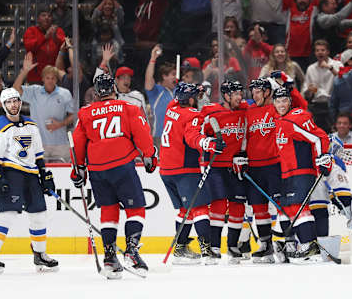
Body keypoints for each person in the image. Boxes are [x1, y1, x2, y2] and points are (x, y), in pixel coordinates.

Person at [70, 66, 157, 279]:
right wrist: (149, 155)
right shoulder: (128, 108)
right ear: (114, 90)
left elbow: (78, 143)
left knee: (108, 211)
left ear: (97, 93)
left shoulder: (85, 113)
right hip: (122, 166)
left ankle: (110, 256)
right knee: (136, 208)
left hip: (98, 169)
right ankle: (132, 252)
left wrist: (78, 168)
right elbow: (142, 134)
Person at [0, 88, 58, 274]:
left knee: (39, 214)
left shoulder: (31, 124)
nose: (13, 105)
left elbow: (38, 155)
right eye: (8, 102)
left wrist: (44, 175)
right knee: (7, 213)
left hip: (31, 175)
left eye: (15, 101)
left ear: (20, 101)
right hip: (11, 173)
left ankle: (40, 255)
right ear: (3, 105)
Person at [244, 75, 307, 263]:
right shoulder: (248, 110)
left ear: (267, 92)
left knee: (282, 205)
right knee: (259, 207)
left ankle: (289, 241)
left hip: (275, 165)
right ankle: (266, 245)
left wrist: (285, 84)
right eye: (253, 92)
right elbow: (244, 136)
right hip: (254, 166)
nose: (255, 95)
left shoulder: (276, 108)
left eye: (259, 92)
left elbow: (300, 106)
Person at [160, 82, 224, 265]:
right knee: (200, 207)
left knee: (184, 210)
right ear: (190, 99)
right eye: (195, 96)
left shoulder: (170, 108)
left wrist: (196, 89)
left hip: (166, 169)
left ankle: (180, 249)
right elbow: (192, 138)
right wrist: (210, 144)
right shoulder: (192, 115)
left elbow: (180, 99)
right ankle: (207, 251)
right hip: (184, 169)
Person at [272, 86, 330, 262]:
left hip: (302, 170)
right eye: (278, 101)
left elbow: (319, 137)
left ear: (290, 101)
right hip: (287, 172)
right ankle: (295, 246)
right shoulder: (280, 121)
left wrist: (323, 158)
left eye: (284, 101)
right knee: (286, 208)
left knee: (298, 207)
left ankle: (310, 246)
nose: (281, 104)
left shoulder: (296, 118)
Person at [199, 80, 248, 263]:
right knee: (218, 204)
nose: (239, 97)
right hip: (216, 165)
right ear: (226, 96)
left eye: (240, 93)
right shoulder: (210, 111)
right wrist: (209, 144)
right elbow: (198, 132)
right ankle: (214, 246)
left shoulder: (244, 109)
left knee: (238, 204)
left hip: (237, 165)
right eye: (235, 94)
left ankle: (233, 245)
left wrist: (242, 154)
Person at [12, 53, 75, 162]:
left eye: (53, 78)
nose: (50, 81)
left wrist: (60, 124)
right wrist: (25, 71)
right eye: (47, 78)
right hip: (38, 144)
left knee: (62, 176)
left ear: (57, 80)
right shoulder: (34, 91)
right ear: (43, 79)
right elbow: (15, 90)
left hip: (60, 145)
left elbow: (74, 115)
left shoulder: (65, 93)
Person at [23, 5, 65, 83]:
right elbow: (30, 47)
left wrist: (55, 37)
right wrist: (45, 37)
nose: (46, 18)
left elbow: (64, 47)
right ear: (38, 19)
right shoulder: (31, 31)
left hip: (54, 76)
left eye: (49, 16)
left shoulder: (58, 31)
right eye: (43, 15)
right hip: (36, 77)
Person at [145, 44, 176, 147]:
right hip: (159, 137)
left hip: (176, 136)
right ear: (164, 76)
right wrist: (153, 59)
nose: (175, 77)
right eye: (173, 74)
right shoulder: (156, 91)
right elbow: (149, 78)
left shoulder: (179, 91)